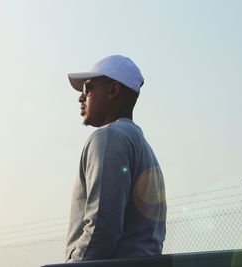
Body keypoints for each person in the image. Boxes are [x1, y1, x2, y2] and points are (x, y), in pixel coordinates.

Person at [65, 55, 167, 262]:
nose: (81, 97)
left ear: (113, 90)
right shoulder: (140, 144)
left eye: (87, 87)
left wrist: (73, 264)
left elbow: (101, 229)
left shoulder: (109, 137)